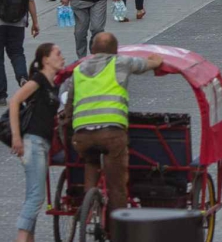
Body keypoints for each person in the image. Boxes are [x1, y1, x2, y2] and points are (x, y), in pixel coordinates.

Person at [58, 33, 163, 217]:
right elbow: (148, 64)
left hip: (82, 135)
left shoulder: (79, 69)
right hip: (112, 133)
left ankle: (88, 206)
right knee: (117, 185)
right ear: (115, 51)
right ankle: (117, 231)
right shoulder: (121, 62)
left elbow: (69, 105)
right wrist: (156, 59)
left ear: (92, 50)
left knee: (90, 161)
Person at [6, 42, 64, 242]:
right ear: (45, 59)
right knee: (36, 196)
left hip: (42, 143)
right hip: (32, 142)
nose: (62, 57)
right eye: (58, 54)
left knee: (34, 195)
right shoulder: (39, 79)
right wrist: (16, 137)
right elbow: (15, 101)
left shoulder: (52, 83)